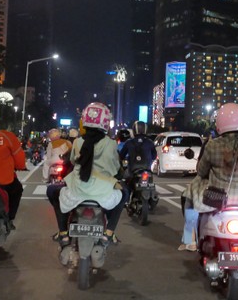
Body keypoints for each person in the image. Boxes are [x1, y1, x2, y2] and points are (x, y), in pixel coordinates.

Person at [179, 103, 238, 251]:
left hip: (216, 198)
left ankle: (190, 240)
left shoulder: (212, 145)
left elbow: (201, 171)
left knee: (190, 195)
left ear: (219, 123)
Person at [47, 102, 127, 246]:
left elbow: (71, 161)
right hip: (104, 194)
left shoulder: (77, 142)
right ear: (105, 122)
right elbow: (116, 168)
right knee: (124, 194)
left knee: (51, 190)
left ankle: (63, 233)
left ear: (85, 121)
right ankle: (109, 233)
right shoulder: (111, 143)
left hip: (77, 192)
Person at [119, 121, 157, 202]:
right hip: (147, 170)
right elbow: (154, 156)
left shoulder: (129, 142)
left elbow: (121, 156)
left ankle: (126, 200)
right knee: (150, 182)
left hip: (132, 170)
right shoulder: (150, 142)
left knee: (124, 182)